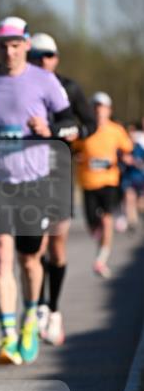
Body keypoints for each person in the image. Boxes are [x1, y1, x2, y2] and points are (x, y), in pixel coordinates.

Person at [0, 17, 75, 366]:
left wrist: (49, 128)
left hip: (35, 182)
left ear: (26, 44)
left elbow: (72, 126)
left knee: (29, 258)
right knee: (1, 254)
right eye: (2, 46)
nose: (8, 52)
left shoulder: (45, 81)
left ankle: (29, 319)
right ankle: (7, 336)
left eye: (15, 45)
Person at [27, 32, 96, 346]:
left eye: (48, 55)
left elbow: (90, 123)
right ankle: (39, 305)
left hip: (58, 173)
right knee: (33, 247)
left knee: (56, 245)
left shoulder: (68, 88)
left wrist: (63, 132)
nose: (43, 61)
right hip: (27, 175)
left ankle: (54, 310)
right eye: (37, 55)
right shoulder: (21, 86)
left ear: (56, 58)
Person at [73, 93, 134, 277]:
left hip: (109, 180)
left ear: (109, 111)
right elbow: (74, 150)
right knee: (92, 224)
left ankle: (101, 259)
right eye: (96, 109)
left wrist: (125, 158)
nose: (99, 112)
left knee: (107, 219)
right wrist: (77, 156)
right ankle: (99, 236)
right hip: (88, 182)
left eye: (103, 109)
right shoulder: (84, 131)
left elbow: (126, 149)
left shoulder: (117, 130)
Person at [121, 121, 144, 231]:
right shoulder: (123, 148)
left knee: (140, 204)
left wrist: (136, 162)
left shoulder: (140, 147)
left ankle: (136, 216)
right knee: (129, 198)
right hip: (128, 178)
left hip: (140, 178)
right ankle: (132, 223)